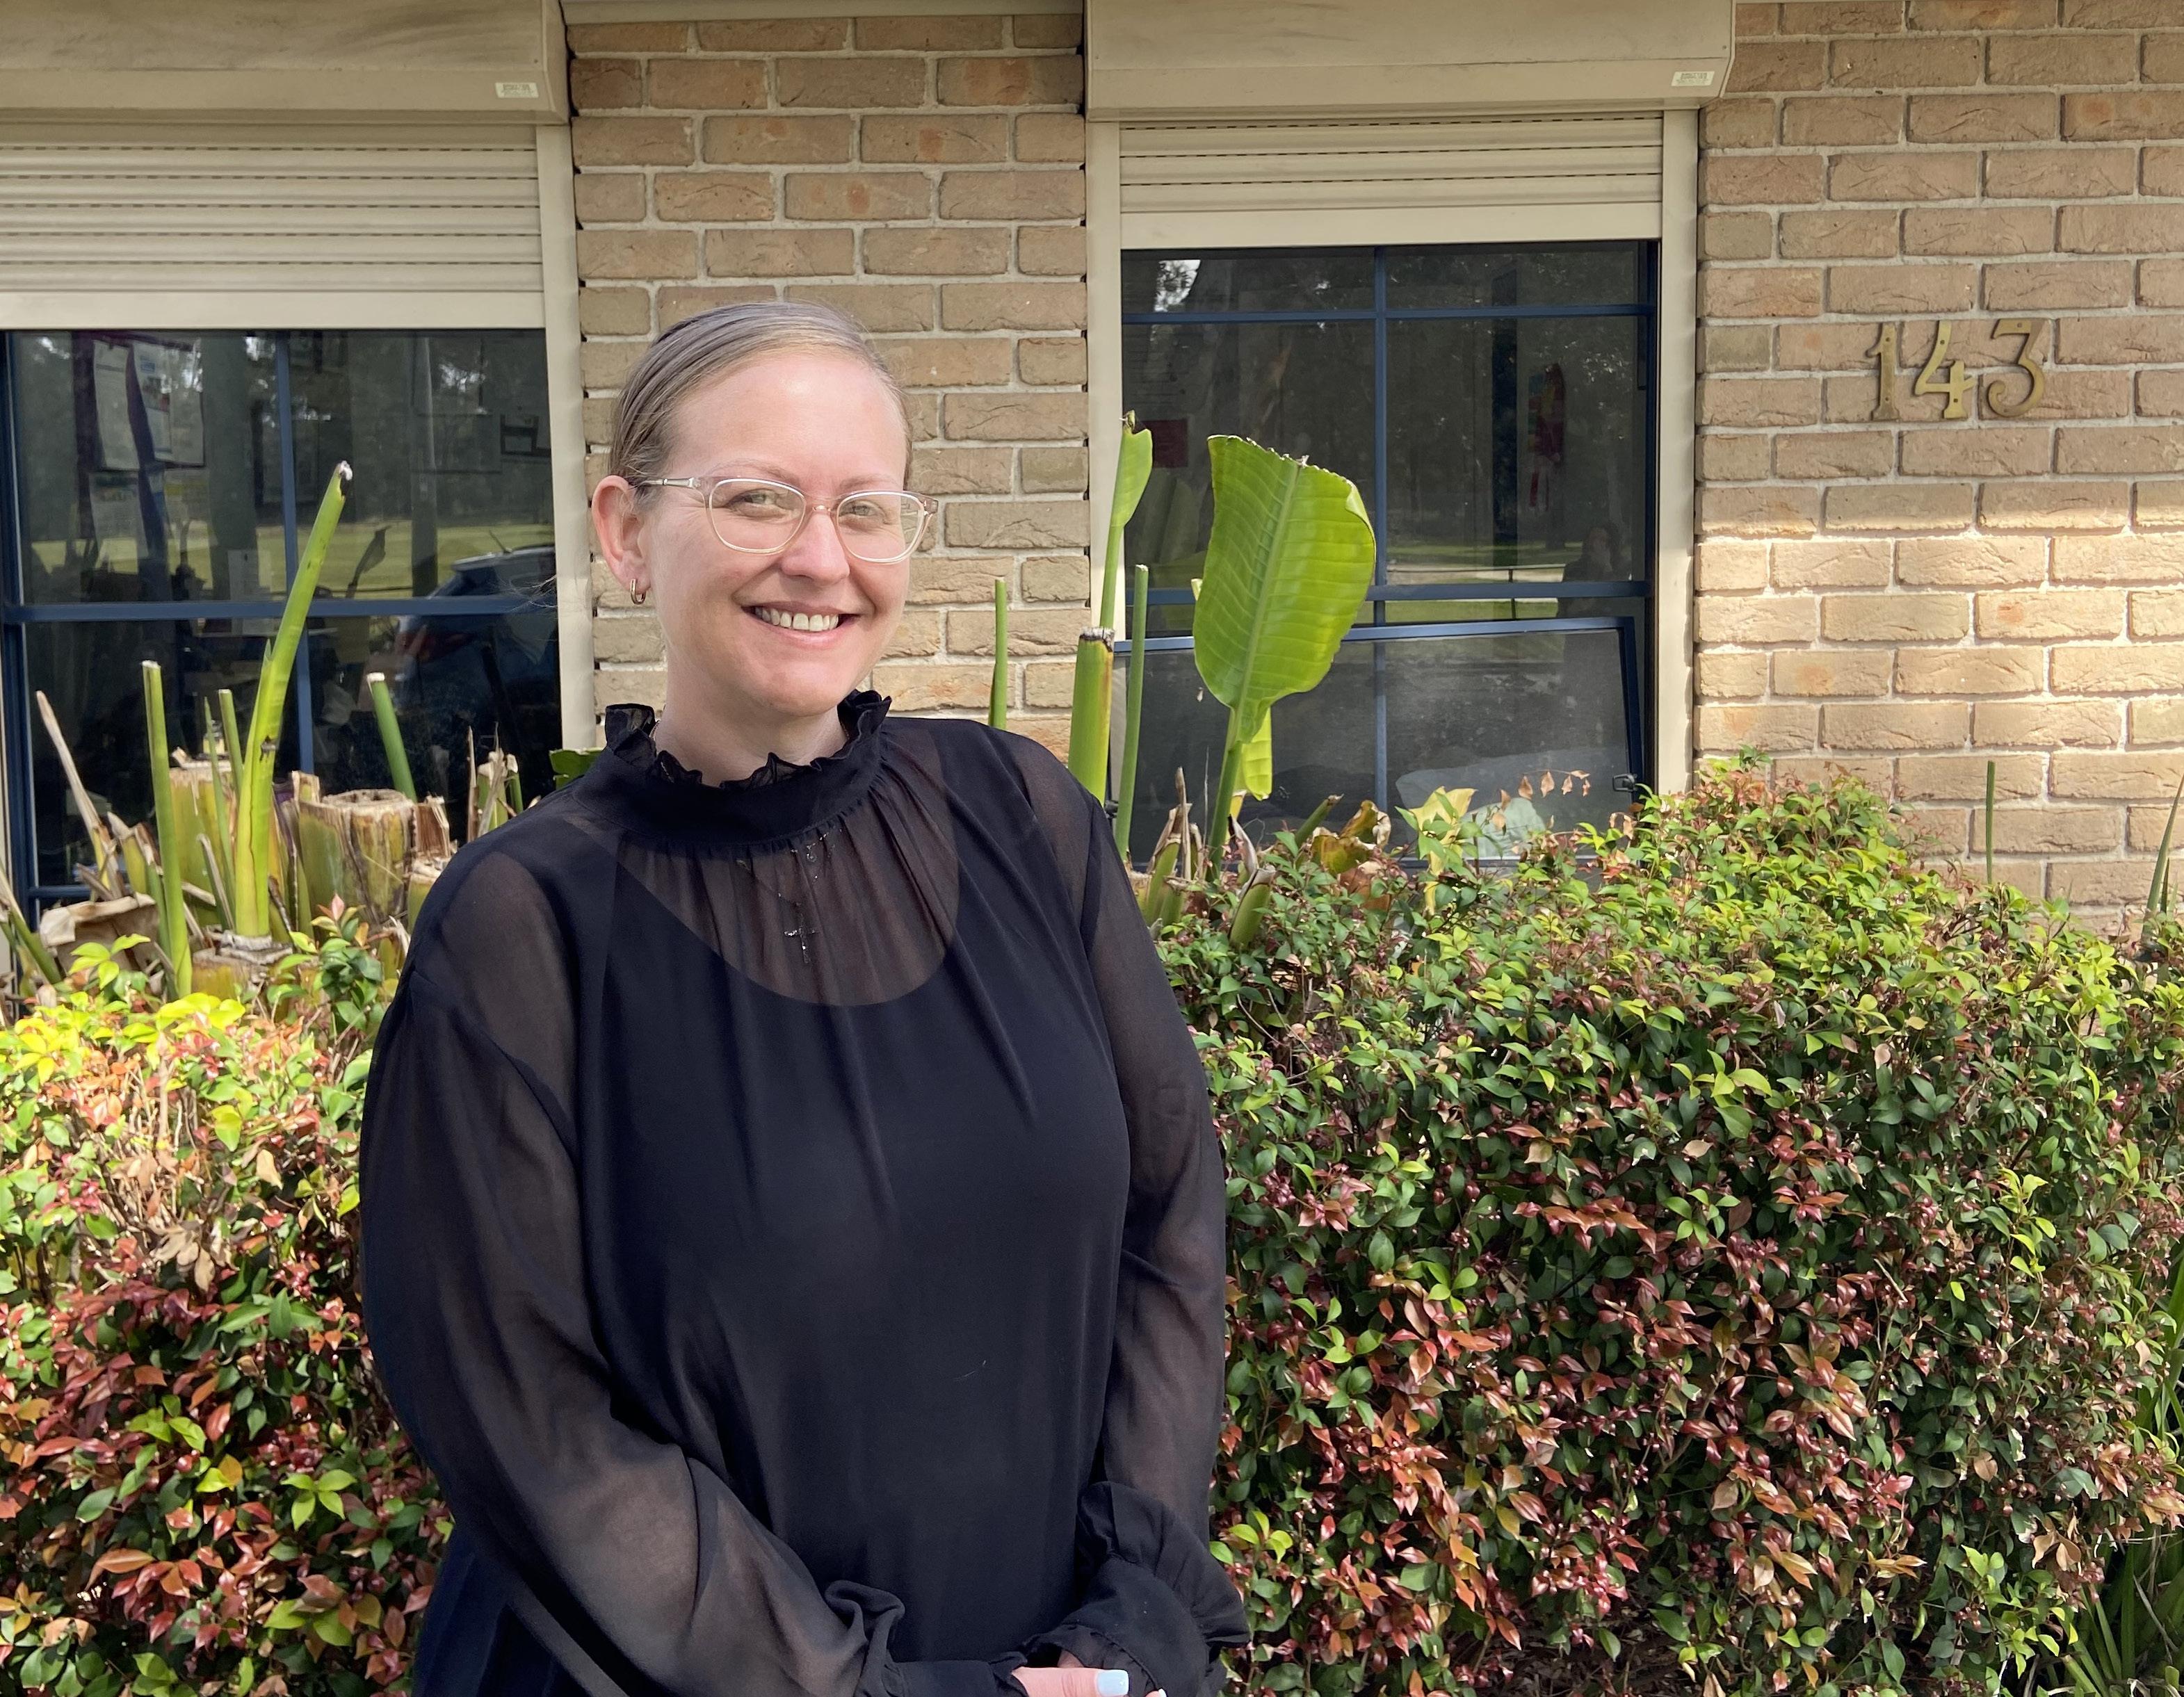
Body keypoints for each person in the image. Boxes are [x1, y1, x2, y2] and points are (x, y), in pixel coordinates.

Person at [358, 300, 1245, 1697]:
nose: (820, 558)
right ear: (625, 529)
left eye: (865, 508)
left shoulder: (1025, 820)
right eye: (756, 498)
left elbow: (1168, 1220)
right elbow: (528, 1414)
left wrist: (1128, 1624)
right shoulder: (525, 927)